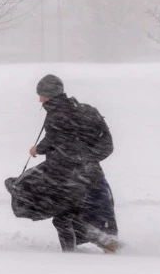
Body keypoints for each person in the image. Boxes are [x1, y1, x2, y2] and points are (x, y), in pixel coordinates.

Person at [27, 74, 120, 253]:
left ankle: (71, 256)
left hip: (66, 173)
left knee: (63, 216)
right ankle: (109, 241)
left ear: (50, 95)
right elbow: (105, 141)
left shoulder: (58, 115)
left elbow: (55, 140)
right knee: (100, 208)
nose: (39, 100)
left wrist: (37, 150)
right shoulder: (86, 110)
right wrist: (88, 158)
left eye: (42, 95)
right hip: (92, 172)